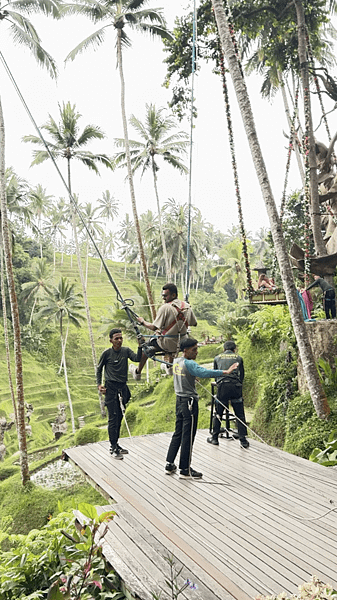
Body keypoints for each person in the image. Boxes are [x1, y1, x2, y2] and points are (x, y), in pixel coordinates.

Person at [165, 338, 239, 479]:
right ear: (185, 351)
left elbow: (187, 374)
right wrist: (226, 372)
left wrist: (191, 377)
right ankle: (185, 469)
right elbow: (204, 372)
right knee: (188, 435)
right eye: (194, 350)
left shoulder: (176, 361)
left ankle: (169, 464)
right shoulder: (190, 363)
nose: (197, 352)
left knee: (178, 433)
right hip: (189, 402)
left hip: (179, 401)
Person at [129, 283, 197, 380]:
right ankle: (169, 368)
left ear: (173, 295)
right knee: (171, 339)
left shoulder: (165, 308)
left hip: (166, 344)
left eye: (165, 296)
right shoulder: (187, 306)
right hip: (182, 343)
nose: (163, 298)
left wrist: (143, 322)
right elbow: (194, 323)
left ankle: (138, 372)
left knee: (146, 349)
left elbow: (154, 327)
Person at [96, 328, 143, 459]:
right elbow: (99, 369)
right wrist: (99, 384)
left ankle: (116, 443)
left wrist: (140, 346)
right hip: (110, 388)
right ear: (111, 340)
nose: (119, 340)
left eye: (121, 338)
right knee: (113, 418)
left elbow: (137, 358)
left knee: (120, 417)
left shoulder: (126, 351)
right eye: (116, 338)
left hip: (123, 387)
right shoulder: (106, 354)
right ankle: (113, 447)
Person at [207, 340, 249, 449]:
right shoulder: (239, 358)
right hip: (235, 387)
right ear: (234, 349)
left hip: (222, 387)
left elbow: (216, 374)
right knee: (239, 414)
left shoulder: (217, 358)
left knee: (218, 412)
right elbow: (242, 375)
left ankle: (215, 438)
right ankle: (243, 440)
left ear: (224, 349)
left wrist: (219, 383)